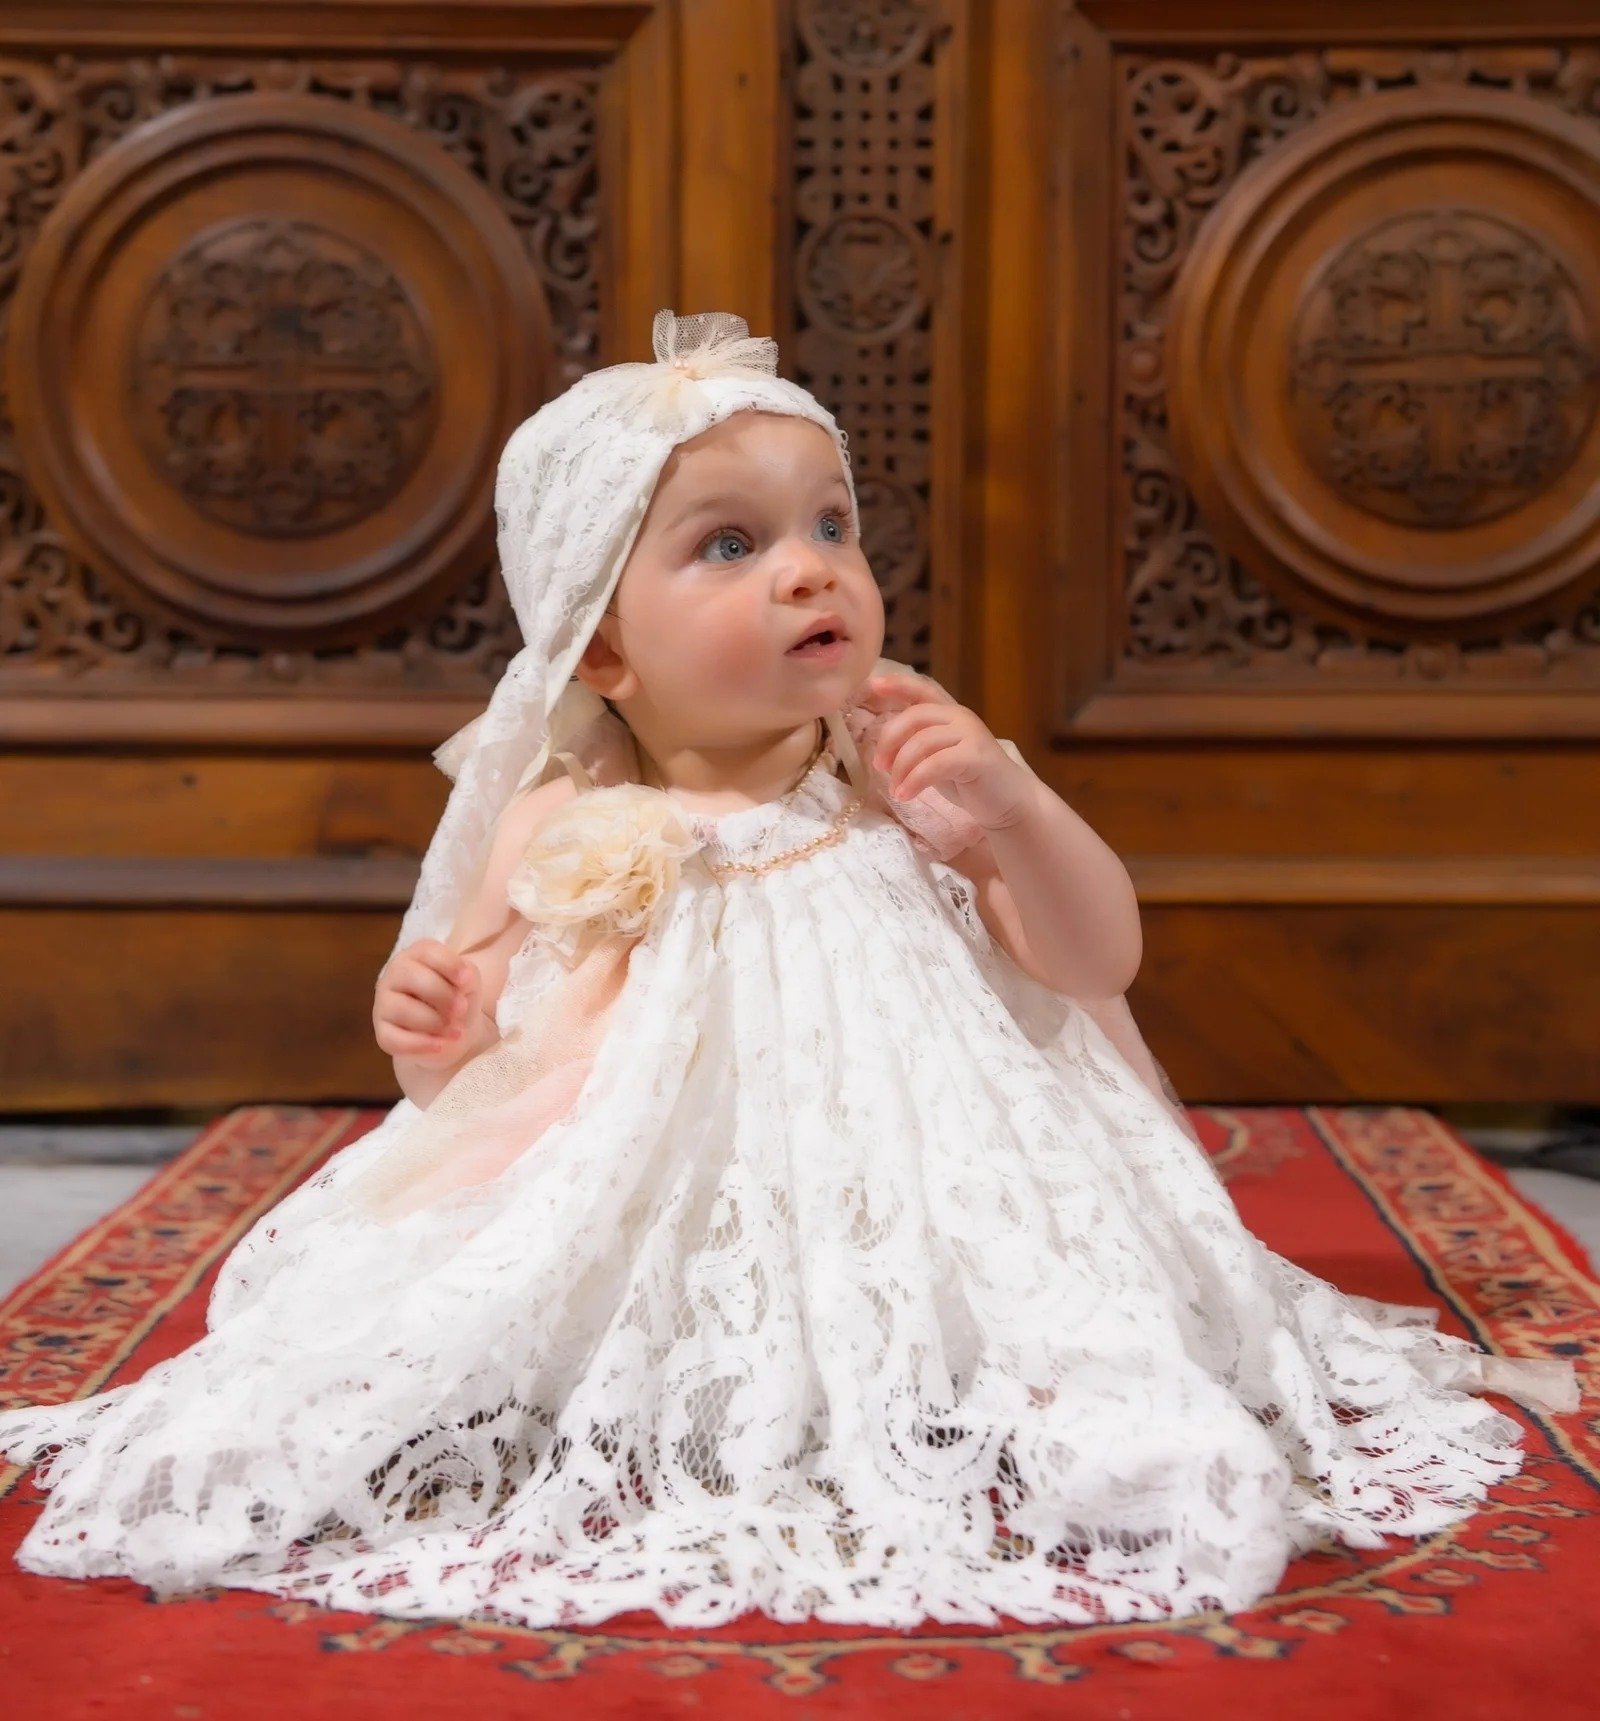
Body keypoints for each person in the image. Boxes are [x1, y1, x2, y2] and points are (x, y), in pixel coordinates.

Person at [0, 311, 1578, 1632]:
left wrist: (1016, 814)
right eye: (732, 545)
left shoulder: (906, 764)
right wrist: (433, 1019)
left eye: (833, 526)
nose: (814, 571)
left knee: (1039, 1348)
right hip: (674, 1196)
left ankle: (970, 1383)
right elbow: (466, 1085)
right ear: (602, 649)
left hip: (919, 1183)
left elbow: (1099, 956)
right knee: (538, 1340)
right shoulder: (562, 822)